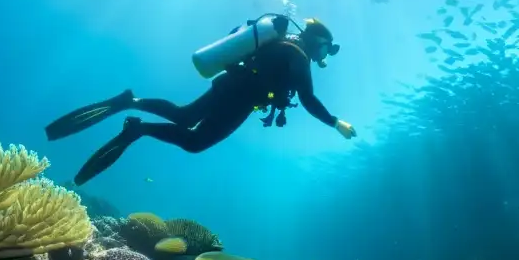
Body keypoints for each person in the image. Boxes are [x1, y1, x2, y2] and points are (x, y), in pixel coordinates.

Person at [45, 17, 357, 185]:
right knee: (194, 142)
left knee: (183, 116)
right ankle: (137, 129)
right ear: (317, 42)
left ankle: (131, 102)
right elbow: (308, 98)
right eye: (327, 49)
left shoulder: (283, 47)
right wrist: (335, 122)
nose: (324, 56)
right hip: (239, 99)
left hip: (228, 86)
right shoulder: (299, 56)